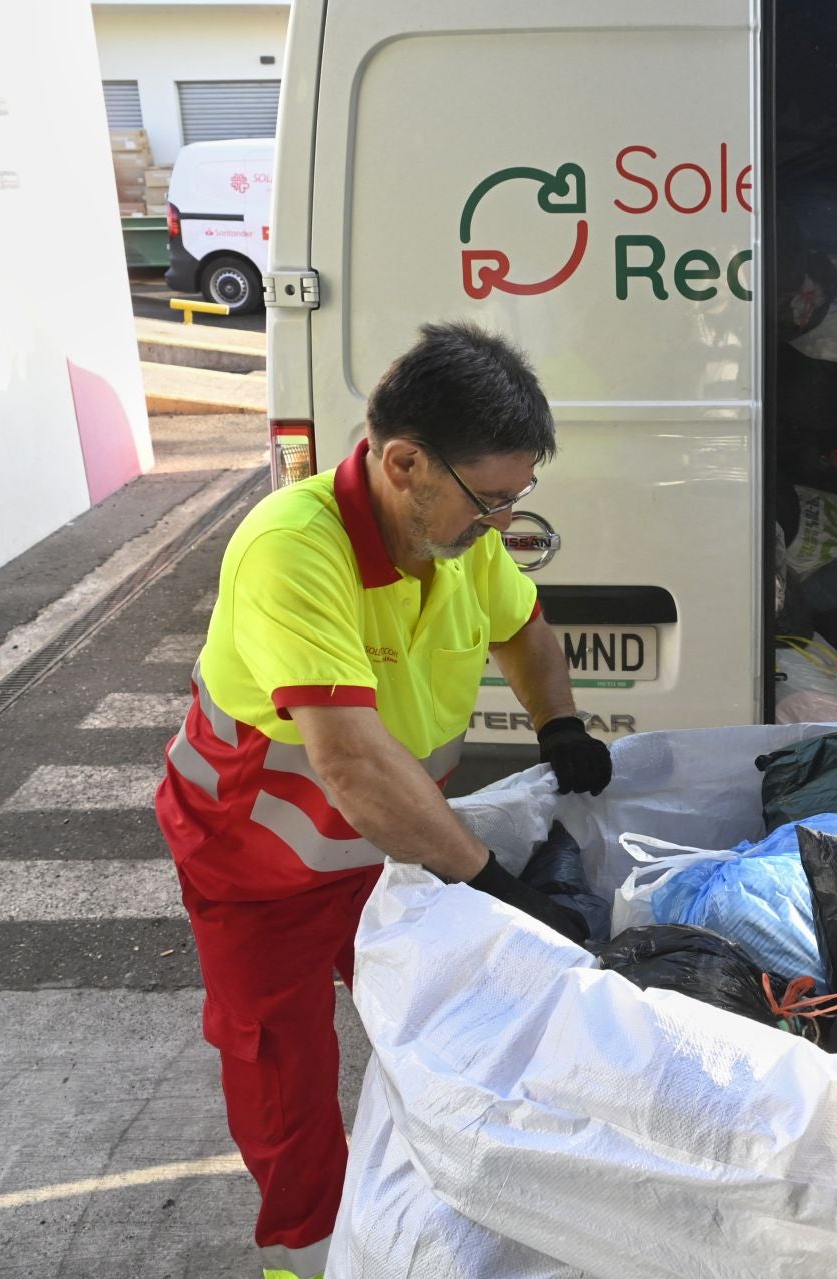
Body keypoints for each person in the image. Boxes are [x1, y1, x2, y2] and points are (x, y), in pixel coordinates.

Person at [154, 322, 612, 1279]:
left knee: (448, 1020)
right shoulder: (292, 548)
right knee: (285, 1073)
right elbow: (354, 765)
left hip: (391, 848)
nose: (497, 523)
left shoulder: (457, 544)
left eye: (512, 501)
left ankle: (451, 1200)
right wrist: (487, 879)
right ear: (405, 463)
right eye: (487, 499)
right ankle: (308, 1255)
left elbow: (525, 631)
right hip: (259, 867)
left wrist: (558, 723)